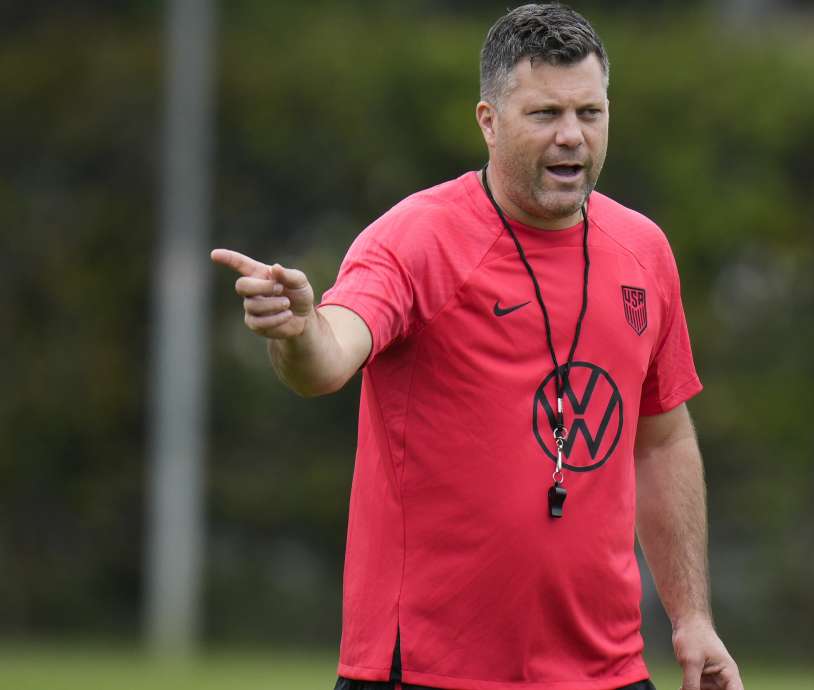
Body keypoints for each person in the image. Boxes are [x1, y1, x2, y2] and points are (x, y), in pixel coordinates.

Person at [211, 5, 742, 690]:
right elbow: (329, 357)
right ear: (489, 123)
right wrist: (296, 331)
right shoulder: (417, 237)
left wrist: (692, 618)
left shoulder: (643, 251)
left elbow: (660, 440)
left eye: (590, 112)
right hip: (427, 671)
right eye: (545, 115)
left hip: (605, 672)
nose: (572, 137)